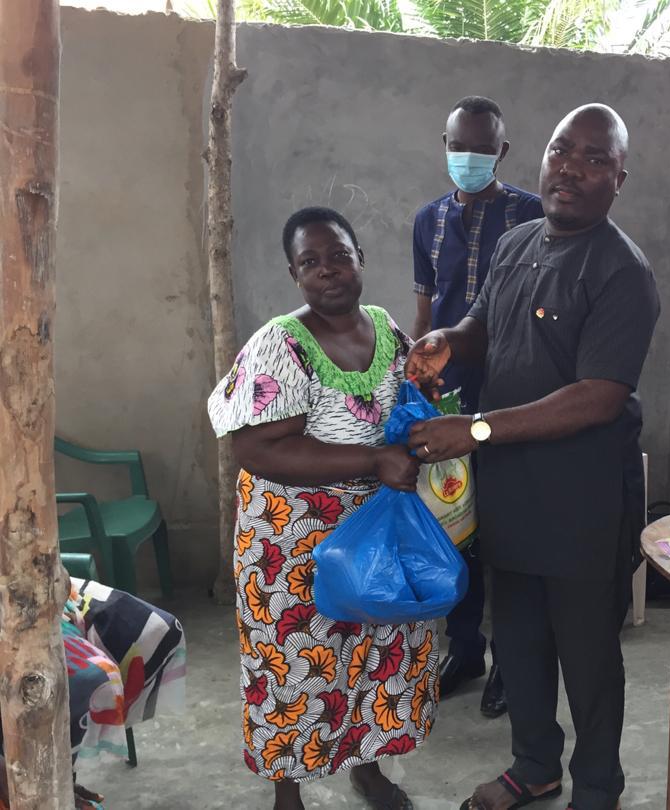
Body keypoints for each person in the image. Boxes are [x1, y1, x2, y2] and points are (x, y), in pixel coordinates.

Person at [406, 104, 660, 810]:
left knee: (586, 657)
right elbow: (483, 326)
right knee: (516, 641)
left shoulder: (620, 272)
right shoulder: (518, 243)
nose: (572, 167)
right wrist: (446, 346)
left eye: (594, 158)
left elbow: (598, 397)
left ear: (619, 179)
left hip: (582, 501)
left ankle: (599, 788)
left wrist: (477, 428)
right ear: (541, 159)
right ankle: (533, 764)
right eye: (561, 151)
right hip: (510, 493)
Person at [207, 207, 434, 810]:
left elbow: (406, 405)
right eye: (311, 262)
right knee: (292, 665)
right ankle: (289, 792)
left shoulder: (386, 329)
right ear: (294, 273)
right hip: (290, 540)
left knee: (374, 651)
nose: (328, 271)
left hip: (374, 527)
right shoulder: (280, 344)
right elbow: (255, 449)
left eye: (339, 255)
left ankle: (368, 768)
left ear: (360, 257)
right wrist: (373, 461)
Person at [412, 95, 543, 717]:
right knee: (454, 527)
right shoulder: (427, 220)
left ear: (502, 151)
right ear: (443, 143)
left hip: (511, 393)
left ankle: (512, 668)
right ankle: (465, 652)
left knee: (508, 527)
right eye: (458, 146)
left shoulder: (532, 216)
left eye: (481, 148)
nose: (468, 158)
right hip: (445, 391)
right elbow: (425, 307)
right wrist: (414, 372)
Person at [0, 575, 187, 810]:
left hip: (22, 586)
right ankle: (35, 778)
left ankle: (61, 772)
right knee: (88, 681)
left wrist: (51, 581)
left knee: (155, 629)